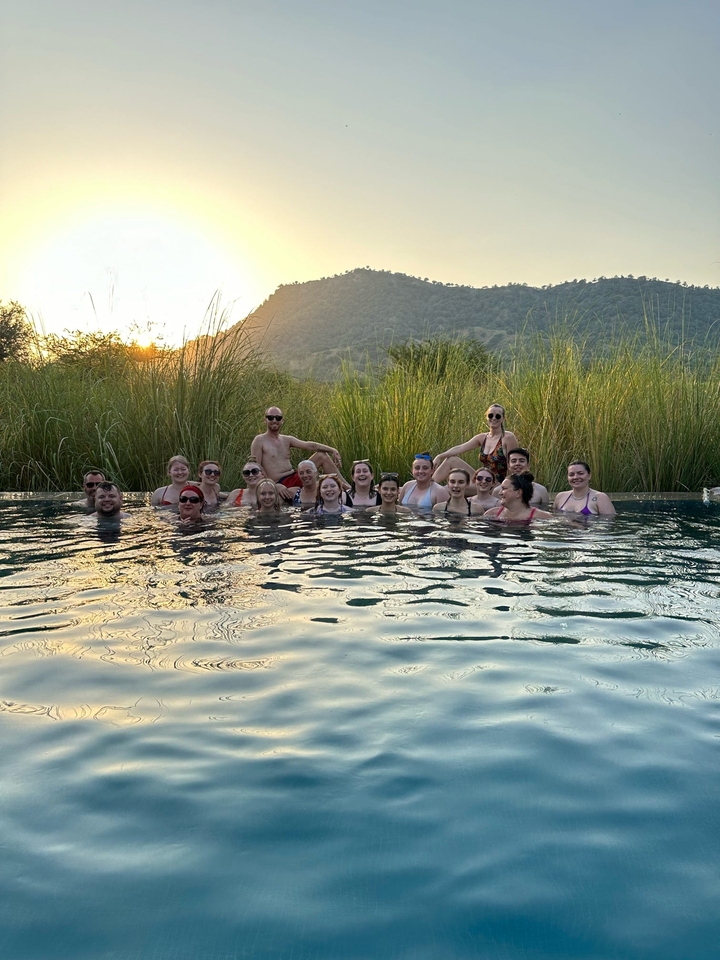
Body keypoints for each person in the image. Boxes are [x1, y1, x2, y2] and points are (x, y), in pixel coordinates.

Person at [250, 406, 344, 501]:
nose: (274, 420)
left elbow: (309, 445)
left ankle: (348, 489)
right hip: (279, 482)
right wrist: (274, 486)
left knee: (321, 455)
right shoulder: (259, 440)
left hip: (295, 477)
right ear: (265, 420)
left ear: (282, 420)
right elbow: (255, 470)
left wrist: (333, 450)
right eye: (270, 417)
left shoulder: (286, 439)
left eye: (278, 418)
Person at [433, 404, 519, 484]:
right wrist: (439, 456)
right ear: (486, 417)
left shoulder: (508, 437)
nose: (494, 418)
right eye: (490, 415)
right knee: (451, 460)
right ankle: (427, 487)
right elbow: (460, 448)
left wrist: (507, 487)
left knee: (449, 489)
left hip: (496, 485)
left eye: (498, 416)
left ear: (503, 418)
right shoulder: (482, 438)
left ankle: (429, 491)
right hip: (481, 480)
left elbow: (513, 465)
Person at [484, 472, 552, 523]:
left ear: (518, 493)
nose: (500, 493)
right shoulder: (491, 514)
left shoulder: (543, 517)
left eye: (504, 488)